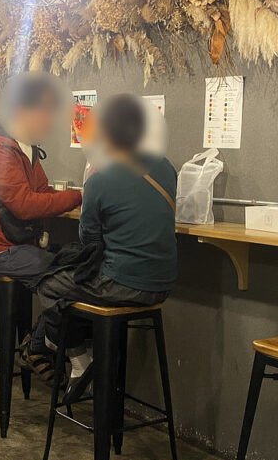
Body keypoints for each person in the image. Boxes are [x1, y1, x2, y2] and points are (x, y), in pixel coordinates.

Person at [21, 94, 178, 397]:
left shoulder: (99, 179)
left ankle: (77, 358)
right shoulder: (166, 167)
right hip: (164, 283)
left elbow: (89, 242)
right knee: (72, 285)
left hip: (123, 284)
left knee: (49, 285)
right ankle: (55, 344)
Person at [0, 73, 82, 280]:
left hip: (21, 245)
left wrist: (81, 197)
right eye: (44, 111)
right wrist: (78, 197)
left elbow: (42, 191)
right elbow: (24, 206)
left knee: (79, 259)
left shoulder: (26, 147)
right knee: (72, 276)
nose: (50, 119)